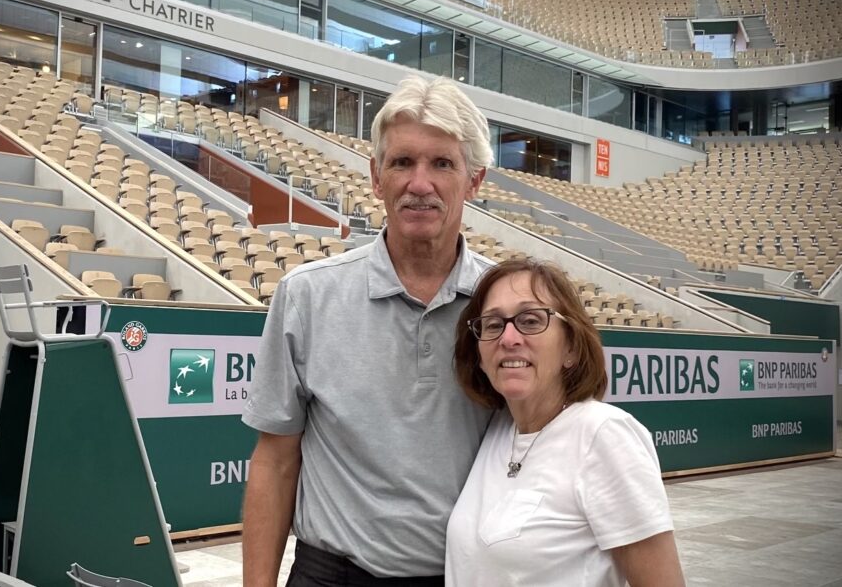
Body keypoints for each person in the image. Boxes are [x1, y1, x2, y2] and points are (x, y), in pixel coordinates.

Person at [241, 75, 495, 586]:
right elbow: (275, 461)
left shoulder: (506, 307)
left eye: (442, 163)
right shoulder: (307, 295)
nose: (419, 184)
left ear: (474, 181)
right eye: (402, 162)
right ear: (377, 177)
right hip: (331, 575)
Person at [446, 258, 685, 587]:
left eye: (530, 320)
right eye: (492, 324)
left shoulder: (603, 434)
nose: (508, 337)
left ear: (570, 347)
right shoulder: (499, 431)